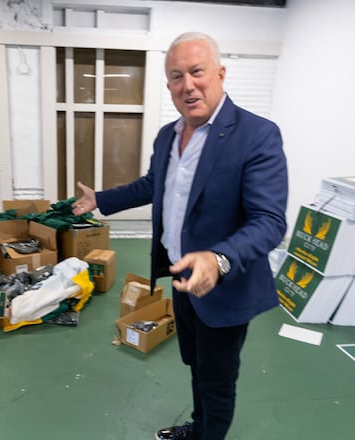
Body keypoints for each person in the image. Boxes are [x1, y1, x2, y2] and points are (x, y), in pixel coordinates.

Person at [71, 31, 288, 440]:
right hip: (181, 278)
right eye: (176, 76)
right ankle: (200, 428)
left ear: (220, 74)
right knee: (197, 365)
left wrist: (218, 259)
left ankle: (209, 433)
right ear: (168, 85)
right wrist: (100, 199)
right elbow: (154, 184)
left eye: (196, 72)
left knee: (218, 378)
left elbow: (270, 221)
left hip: (223, 285)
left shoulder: (256, 135)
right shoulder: (167, 135)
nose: (187, 85)